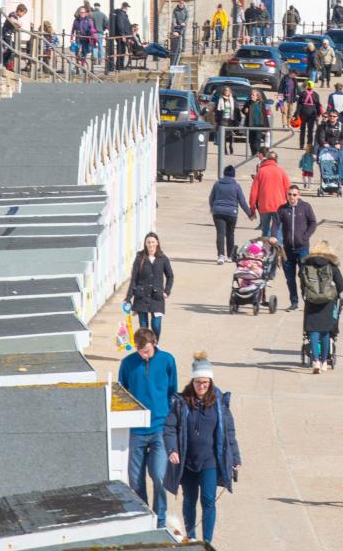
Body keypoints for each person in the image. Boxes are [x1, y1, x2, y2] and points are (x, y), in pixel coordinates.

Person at [163, 352, 241, 544]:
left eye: (205, 383)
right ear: (192, 381)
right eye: (198, 382)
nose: (201, 386)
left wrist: (236, 458)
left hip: (210, 461)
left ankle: (206, 541)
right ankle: (191, 537)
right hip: (187, 461)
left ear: (211, 382)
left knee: (208, 501)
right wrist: (172, 450)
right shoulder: (181, 402)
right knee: (189, 500)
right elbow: (169, 428)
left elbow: (229, 432)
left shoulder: (220, 403)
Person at [118, 328, 177, 529]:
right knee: (135, 480)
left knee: (159, 476)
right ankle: (143, 517)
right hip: (136, 430)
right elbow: (122, 393)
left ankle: (160, 519)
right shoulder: (127, 363)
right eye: (140, 351)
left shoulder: (168, 360)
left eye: (147, 351)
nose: (143, 354)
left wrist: (169, 420)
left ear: (155, 343)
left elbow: (172, 391)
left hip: (160, 428)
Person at [301, 239, 343, 374]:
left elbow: (302, 284)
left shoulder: (307, 265)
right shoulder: (332, 266)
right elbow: (341, 285)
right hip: (328, 301)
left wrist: (305, 295)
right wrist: (335, 294)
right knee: (325, 332)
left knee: (313, 331)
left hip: (311, 301)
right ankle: (325, 361)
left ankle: (315, 360)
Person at [123, 233, 174, 341]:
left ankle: (155, 344)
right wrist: (128, 297)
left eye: (152, 242)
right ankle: (145, 348)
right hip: (141, 297)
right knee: (143, 327)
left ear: (157, 243)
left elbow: (170, 276)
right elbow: (134, 279)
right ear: (145, 244)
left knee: (156, 324)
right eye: (148, 242)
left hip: (157, 297)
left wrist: (166, 291)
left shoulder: (163, 258)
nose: (150, 244)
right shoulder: (140, 258)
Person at [277, 184, 317, 310]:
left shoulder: (305, 207)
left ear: (298, 195)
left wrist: (305, 237)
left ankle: (307, 301)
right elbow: (275, 224)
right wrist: (273, 237)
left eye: (294, 194)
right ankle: (294, 302)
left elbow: (313, 223)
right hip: (288, 250)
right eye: (289, 194)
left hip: (302, 249)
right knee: (290, 278)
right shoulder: (282, 209)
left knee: (304, 276)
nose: (292, 197)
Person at [209, 164, 253, 264]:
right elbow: (242, 201)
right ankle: (230, 256)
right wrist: (250, 214)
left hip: (218, 212)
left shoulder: (217, 184)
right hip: (231, 213)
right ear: (233, 174)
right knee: (230, 234)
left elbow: (211, 198)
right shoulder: (236, 186)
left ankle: (220, 256)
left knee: (220, 233)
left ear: (224, 174)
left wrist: (213, 209)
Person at [249, 149, 290, 239]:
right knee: (278, 230)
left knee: (265, 230)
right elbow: (288, 189)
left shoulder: (261, 172)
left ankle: (266, 250)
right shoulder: (281, 171)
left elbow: (254, 191)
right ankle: (277, 250)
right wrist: (290, 205)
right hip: (279, 206)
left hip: (264, 206)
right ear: (276, 160)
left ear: (267, 159)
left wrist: (252, 208)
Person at [214, 85, 240, 155]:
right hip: (223, 119)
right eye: (225, 90)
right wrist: (216, 119)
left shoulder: (233, 100)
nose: (226, 92)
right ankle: (224, 149)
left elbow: (237, 110)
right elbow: (217, 110)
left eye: (228, 91)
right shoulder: (220, 100)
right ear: (223, 92)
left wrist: (238, 119)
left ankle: (230, 146)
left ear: (230, 92)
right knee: (223, 135)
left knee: (231, 134)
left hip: (230, 119)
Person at [296, 80, 321, 149]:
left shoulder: (302, 93)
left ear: (307, 86)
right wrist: (318, 114)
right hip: (312, 114)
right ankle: (309, 145)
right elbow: (318, 106)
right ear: (313, 87)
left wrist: (296, 114)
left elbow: (299, 105)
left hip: (303, 113)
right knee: (310, 130)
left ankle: (301, 145)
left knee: (302, 130)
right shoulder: (316, 95)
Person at [243, 89, 268, 156]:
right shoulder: (248, 103)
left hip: (259, 124)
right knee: (251, 139)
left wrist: (266, 127)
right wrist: (245, 110)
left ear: (257, 96)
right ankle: (253, 152)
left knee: (257, 138)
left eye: (253, 95)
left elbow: (265, 115)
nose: (252, 96)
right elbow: (243, 110)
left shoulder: (261, 104)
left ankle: (257, 151)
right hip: (250, 124)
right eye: (251, 95)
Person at [113, 2, 133, 70]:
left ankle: (120, 66)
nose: (126, 9)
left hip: (124, 36)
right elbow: (120, 26)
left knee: (122, 51)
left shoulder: (123, 14)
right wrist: (123, 35)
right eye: (125, 7)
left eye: (126, 7)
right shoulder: (121, 14)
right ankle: (119, 66)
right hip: (121, 37)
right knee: (121, 51)